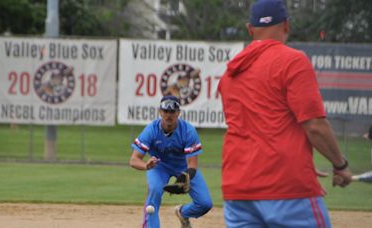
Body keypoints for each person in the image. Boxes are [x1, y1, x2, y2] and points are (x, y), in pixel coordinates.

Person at [218, 0, 352, 227]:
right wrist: (340, 165)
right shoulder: (292, 60)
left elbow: (259, 128)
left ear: (250, 29)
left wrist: (300, 161)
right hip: (286, 189)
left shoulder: (229, 73)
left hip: (237, 189)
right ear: (287, 25)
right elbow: (315, 126)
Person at [129, 95, 212, 228]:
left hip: (184, 168)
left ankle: (183, 213)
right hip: (158, 167)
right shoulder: (151, 130)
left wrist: (184, 178)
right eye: (165, 111)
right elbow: (133, 160)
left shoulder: (188, 131)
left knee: (205, 203)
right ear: (160, 112)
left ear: (178, 113)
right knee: (154, 192)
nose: (169, 115)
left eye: (172, 111)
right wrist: (146, 165)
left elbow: (192, 165)